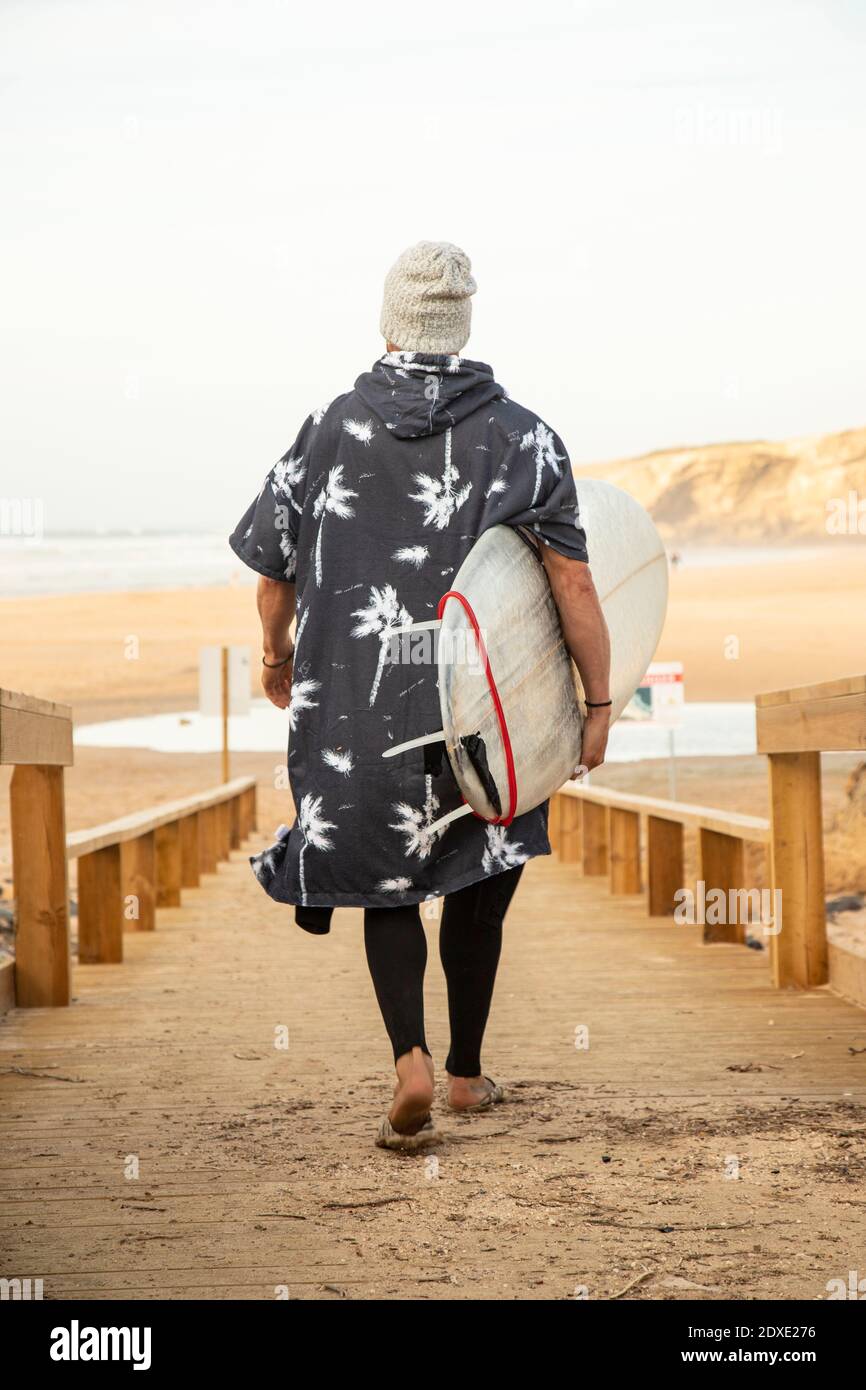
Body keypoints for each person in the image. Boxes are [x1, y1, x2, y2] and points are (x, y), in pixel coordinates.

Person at [229, 241, 611, 1150]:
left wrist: (276, 657)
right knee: (480, 872)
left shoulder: (327, 427)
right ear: (464, 322)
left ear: (389, 322)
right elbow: (575, 588)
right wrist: (597, 706)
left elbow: (274, 573)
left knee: (387, 884)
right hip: (489, 703)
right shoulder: (524, 434)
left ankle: (410, 1060)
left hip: (358, 702)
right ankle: (468, 1076)